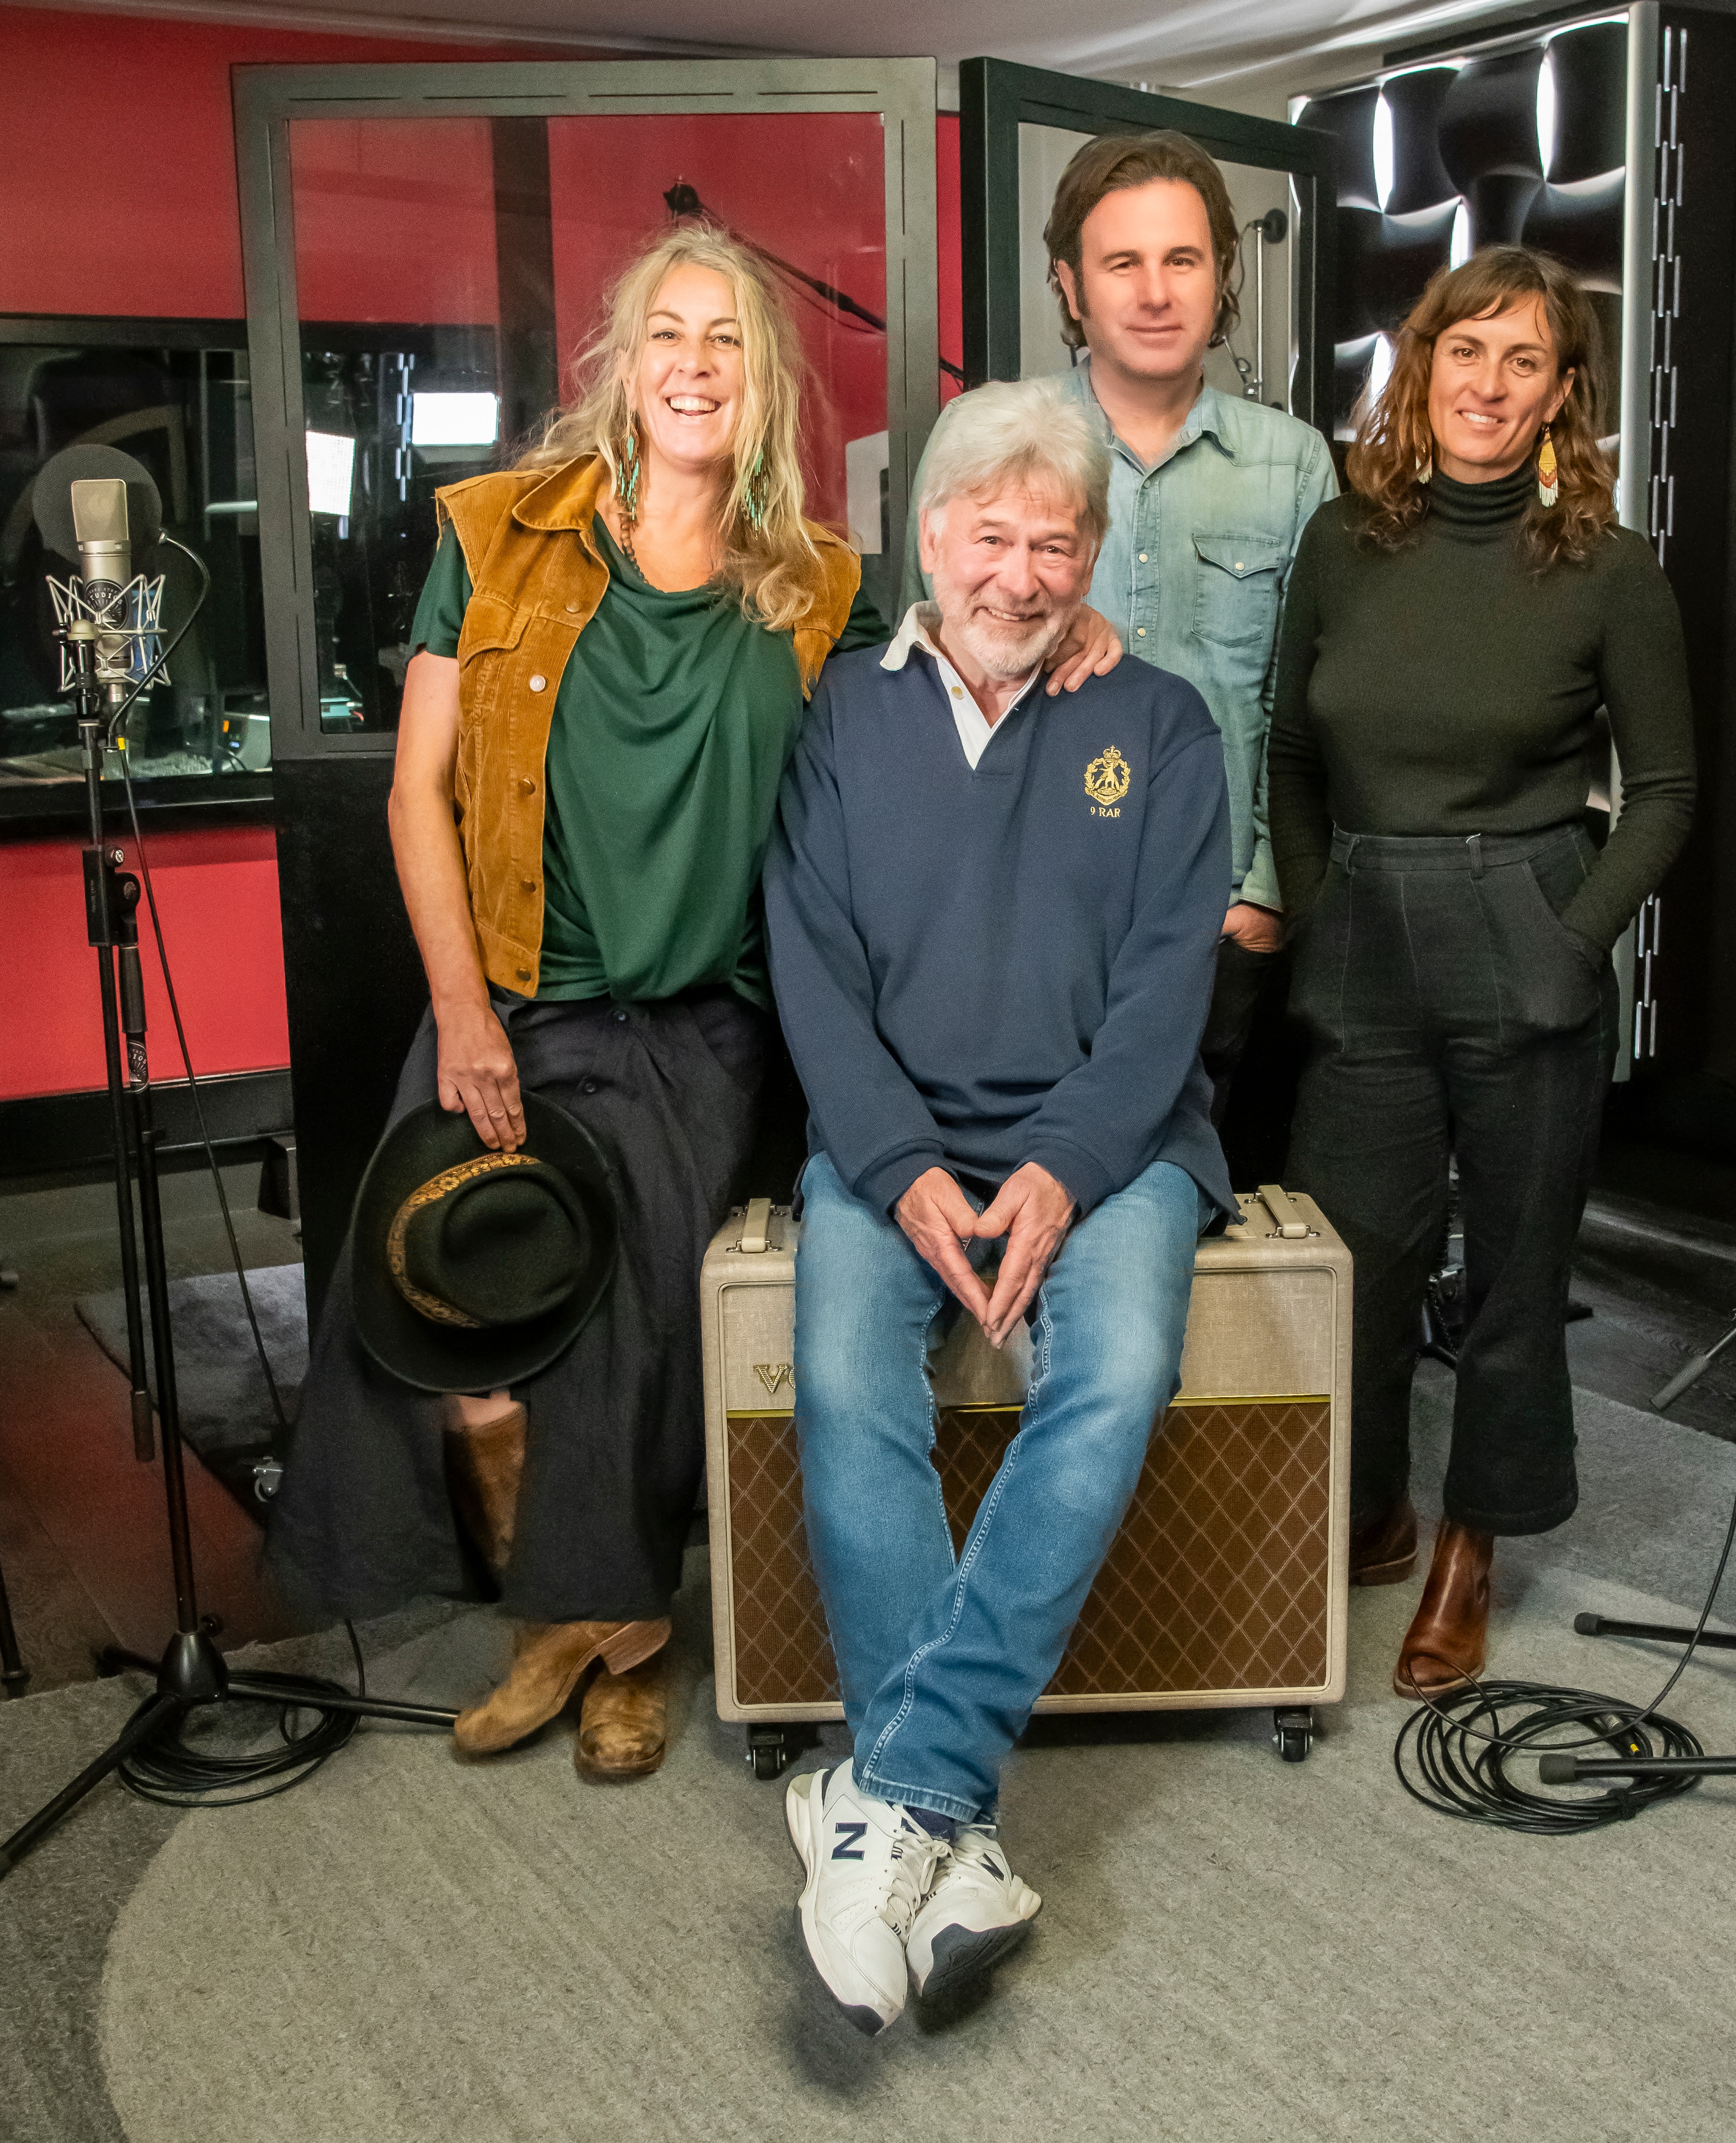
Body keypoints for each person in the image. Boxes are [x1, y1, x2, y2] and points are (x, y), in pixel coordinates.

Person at [266, 226, 1113, 1784]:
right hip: (512, 992)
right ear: (623, 358)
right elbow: (416, 790)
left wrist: (1078, 627)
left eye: (727, 340)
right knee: (431, 1306)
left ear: (763, 379)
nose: (695, 365)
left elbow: (968, 648)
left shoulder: (820, 589)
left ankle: (614, 1643)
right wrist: (459, 1008)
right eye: (670, 332)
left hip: (702, 1021)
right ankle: (570, 1612)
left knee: (642, 1324)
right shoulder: (497, 530)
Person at [765, 375, 1233, 2033]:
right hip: (885, 1142)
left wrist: (1063, 1164)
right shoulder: (838, 714)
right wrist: (896, 1170)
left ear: (1095, 552)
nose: (1021, 573)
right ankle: (943, 1833)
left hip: (1112, 1143)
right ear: (930, 534)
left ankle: (898, 1786)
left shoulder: (1162, 722)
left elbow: (1173, 981)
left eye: (1057, 541)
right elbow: (809, 968)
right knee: (838, 1379)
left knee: (1110, 1376)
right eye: (990, 533)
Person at [1268, 245, 1697, 1699]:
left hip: (1526, 918)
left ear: (1560, 393)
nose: (1488, 385)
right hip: (1365, 941)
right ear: (1420, 365)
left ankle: (1469, 1545)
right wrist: (1325, 919)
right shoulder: (1341, 543)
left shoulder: (1603, 569)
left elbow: (1665, 793)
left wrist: (1572, 946)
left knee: (1513, 1277)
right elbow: (1289, 756)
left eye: (1524, 361)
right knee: (1361, 1261)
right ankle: (1374, 1504)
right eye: (1466, 352)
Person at [903, 130, 1337, 1118]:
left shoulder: (1294, 463)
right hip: (1023, 924)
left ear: (1221, 271)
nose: (1155, 292)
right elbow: (916, 676)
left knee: (1207, 1224)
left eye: (1182, 259)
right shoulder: (985, 435)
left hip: (1219, 924)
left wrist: (1263, 896)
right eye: (1122, 263)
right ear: (1069, 283)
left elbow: (1305, 707)